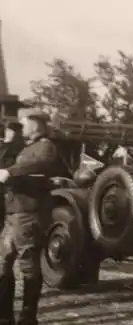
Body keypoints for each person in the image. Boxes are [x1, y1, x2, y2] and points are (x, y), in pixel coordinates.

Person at [0, 109, 58, 325]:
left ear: (36, 124)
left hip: (29, 213)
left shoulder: (45, 147)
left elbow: (39, 164)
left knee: (28, 267)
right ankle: (5, 315)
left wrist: (11, 172)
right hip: (14, 211)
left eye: (25, 123)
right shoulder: (26, 147)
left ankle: (28, 317)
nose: (22, 127)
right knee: (2, 263)